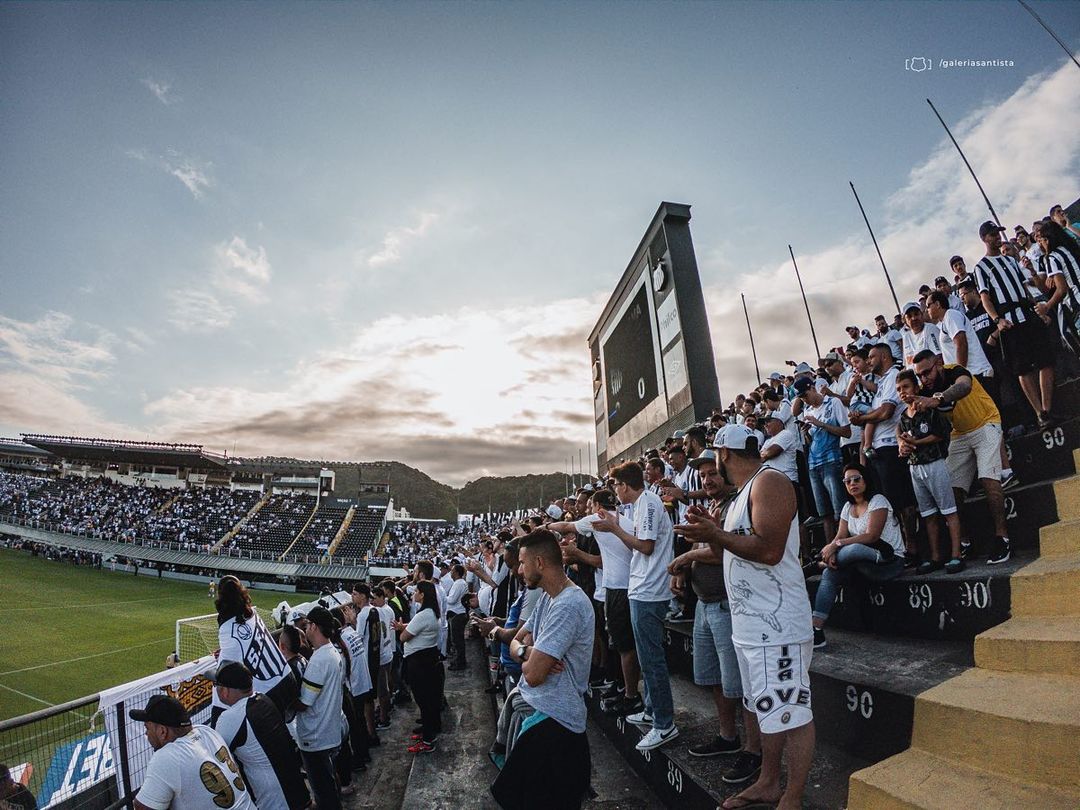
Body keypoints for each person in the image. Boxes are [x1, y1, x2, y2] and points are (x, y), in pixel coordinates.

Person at [677, 424, 815, 810]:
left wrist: (716, 535)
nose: (709, 468)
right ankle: (769, 782)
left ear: (725, 454)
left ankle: (793, 797)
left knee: (792, 712)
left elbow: (769, 550)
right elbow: (736, 549)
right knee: (763, 708)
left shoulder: (769, 482)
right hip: (751, 626)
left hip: (778, 626)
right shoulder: (742, 494)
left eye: (713, 458)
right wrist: (711, 530)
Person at [489, 529, 594, 810]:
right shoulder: (548, 598)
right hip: (541, 716)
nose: (519, 570)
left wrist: (529, 655)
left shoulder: (568, 605)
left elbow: (534, 675)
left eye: (522, 563)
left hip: (556, 725)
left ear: (539, 562)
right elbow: (516, 641)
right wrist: (528, 651)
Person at [668, 450, 758, 773]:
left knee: (741, 684)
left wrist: (684, 560)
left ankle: (753, 750)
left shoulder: (736, 506)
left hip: (726, 603)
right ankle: (727, 736)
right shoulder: (709, 509)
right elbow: (699, 547)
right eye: (703, 475)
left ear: (725, 474)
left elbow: (725, 550)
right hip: (704, 604)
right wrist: (684, 568)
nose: (707, 480)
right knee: (717, 680)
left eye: (713, 474)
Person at [593, 461, 678, 752]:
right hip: (641, 587)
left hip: (650, 590)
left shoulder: (650, 503)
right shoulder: (641, 504)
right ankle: (653, 710)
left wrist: (615, 528)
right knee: (645, 655)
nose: (614, 491)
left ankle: (664, 723)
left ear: (625, 485)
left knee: (652, 659)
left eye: (615, 485)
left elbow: (646, 546)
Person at [911, 350, 1013, 565]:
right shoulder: (924, 388)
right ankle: (965, 541)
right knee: (950, 490)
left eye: (927, 372)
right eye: (919, 375)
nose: (924, 378)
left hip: (986, 422)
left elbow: (964, 387)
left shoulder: (955, 370)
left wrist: (937, 399)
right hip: (960, 432)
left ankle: (1002, 538)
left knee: (988, 480)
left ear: (938, 363)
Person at [548, 489, 641, 716]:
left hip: (618, 589)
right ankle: (623, 688)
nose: (587, 509)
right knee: (619, 643)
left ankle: (630, 695)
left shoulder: (598, 519)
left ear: (598, 505)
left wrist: (545, 528)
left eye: (589, 504)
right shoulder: (625, 521)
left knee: (623, 645)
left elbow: (566, 527)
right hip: (624, 587)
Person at [973, 220, 1056, 430]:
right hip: (1010, 320)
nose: (997, 237)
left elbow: (1024, 288)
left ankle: (1047, 408)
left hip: (1027, 313)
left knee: (1045, 361)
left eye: (998, 233)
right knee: (1023, 369)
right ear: (984, 238)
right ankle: (1039, 413)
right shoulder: (981, 267)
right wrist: (996, 320)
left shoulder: (1010, 261)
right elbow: (985, 298)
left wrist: (1039, 308)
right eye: (992, 235)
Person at [811, 464, 905, 648]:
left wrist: (836, 546)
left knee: (852, 549)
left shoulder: (878, 500)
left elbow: (872, 536)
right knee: (829, 575)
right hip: (862, 564)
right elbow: (840, 535)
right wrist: (831, 547)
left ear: (866, 479)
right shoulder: (848, 506)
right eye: (847, 481)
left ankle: (818, 564)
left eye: (857, 479)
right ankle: (817, 631)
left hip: (888, 560)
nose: (852, 483)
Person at [212, 663, 310, 810]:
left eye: (216, 685)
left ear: (225, 691)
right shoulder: (263, 698)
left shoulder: (231, 717)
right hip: (294, 785)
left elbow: (214, 757)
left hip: (274, 798)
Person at [130, 695, 255, 810]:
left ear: (163, 731)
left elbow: (142, 807)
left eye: (148, 728)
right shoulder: (207, 731)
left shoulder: (167, 757)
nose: (146, 734)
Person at [895, 370, 964, 574]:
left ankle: (956, 555)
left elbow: (941, 434)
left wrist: (916, 442)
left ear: (916, 388)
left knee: (949, 511)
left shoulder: (930, 410)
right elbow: (899, 435)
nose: (903, 392)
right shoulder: (903, 417)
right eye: (899, 389)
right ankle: (935, 557)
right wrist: (903, 445)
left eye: (906, 387)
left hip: (935, 463)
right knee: (928, 514)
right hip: (915, 467)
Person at [215, 575, 293, 720]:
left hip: (270, 690)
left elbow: (227, 672)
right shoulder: (252, 614)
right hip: (286, 676)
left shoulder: (228, 629)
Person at [294, 606, 346, 810]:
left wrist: (284, 696)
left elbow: (304, 703)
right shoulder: (331, 652)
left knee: (324, 792)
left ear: (314, 626)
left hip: (316, 737)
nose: (305, 630)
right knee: (329, 782)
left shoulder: (319, 660)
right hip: (329, 731)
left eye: (307, 625)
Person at [794, 376, 851, 544]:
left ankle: (844, 545)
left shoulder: (833, 403)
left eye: (805, 395)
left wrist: (821, 424)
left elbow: (846, 432)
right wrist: (806, 432)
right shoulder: (807, 411)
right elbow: (813, 440)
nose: (805, 399)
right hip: (813, 462)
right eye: (801, 397)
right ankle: (829, 548)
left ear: (813, 388)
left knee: (839, 509)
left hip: (832, 459)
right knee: (824, 512)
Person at [393, 580, 443, 753]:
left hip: (419, 662)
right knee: (426, 700)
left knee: (424, 700)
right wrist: (404, 626)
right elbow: (417, 627)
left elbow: (404, 637)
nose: (414, 594)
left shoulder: (424, 614)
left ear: (422, 594)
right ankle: (428, 732)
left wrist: (402, 630)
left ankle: (428, 740)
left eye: (416, 591)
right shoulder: (430, 612)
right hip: (426, 659)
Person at [445, 564, 469, 670]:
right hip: (458, 613)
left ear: (457, 573)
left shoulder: (459, 583)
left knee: (457, 641)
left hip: (457, 614)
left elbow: (451, 600)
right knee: (457, 640)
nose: (451, 572)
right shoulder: (459, 583)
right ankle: (458, 661)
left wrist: (443, 597)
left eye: (453, 571)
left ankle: (459, 662)